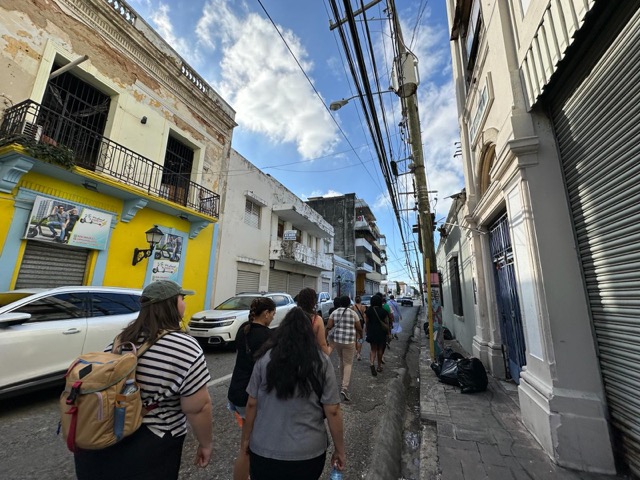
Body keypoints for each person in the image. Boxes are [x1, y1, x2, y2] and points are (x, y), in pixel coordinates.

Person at [73, 280, 213, 480]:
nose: (185, 303)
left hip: (104, 436)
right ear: (172, 304)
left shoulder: (122, 339)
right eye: (182, 298)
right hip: (151, 444)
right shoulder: (185, 346)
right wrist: (206, 443)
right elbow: (198, 407)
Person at [240, 307, 345, 479]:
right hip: (307, 454)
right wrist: (340, 450)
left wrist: (245, 440)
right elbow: (333, 410)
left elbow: (252, 403)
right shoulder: (321, 362)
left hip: (264, 450)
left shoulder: (264, 359)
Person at [228, 297, 277, 480]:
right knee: (253, 445)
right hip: (253, 396)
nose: (273, 317)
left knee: (246, 442)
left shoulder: (243, 330)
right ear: (266, 314)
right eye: (272, 314)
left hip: (236, 390)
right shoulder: (268, 337)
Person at [326, 295, 363, 402]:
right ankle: (344, 387)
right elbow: (359, 327)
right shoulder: (352, 313)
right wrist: (361, 336)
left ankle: (343, 381)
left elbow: (329, 326)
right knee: (348, 363)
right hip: (349, 341)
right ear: (348, 303)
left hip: (337, 341)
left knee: (341, 360)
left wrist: (326, 337)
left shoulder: (335, 312)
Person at [296, 287, 330, 355]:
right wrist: (329, 349)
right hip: (310, 356)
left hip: (294, 355)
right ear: (313, 301)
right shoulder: (317, 320)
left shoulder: (293, 316)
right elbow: (322, 344)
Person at [365, 294, 390, 376]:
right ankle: (379, 366)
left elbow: (367, 322)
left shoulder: (368, 310)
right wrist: (388, 333)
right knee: (380, 349)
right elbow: (387, 323)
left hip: (371, 331)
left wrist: (366, 330)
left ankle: (371, 363)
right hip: (381, 332)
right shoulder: (383, 311)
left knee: (373, 349)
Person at [352, 296, 367, 361]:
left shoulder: (353, 307)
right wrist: (366, 324)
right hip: (360, 323)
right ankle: (358, 353)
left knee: (355, 338)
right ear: (360, 300)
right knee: (360, 338)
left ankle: (356, 351)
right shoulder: (363, 307)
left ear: (355, 300)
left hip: (354, 323)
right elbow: (365, 317)